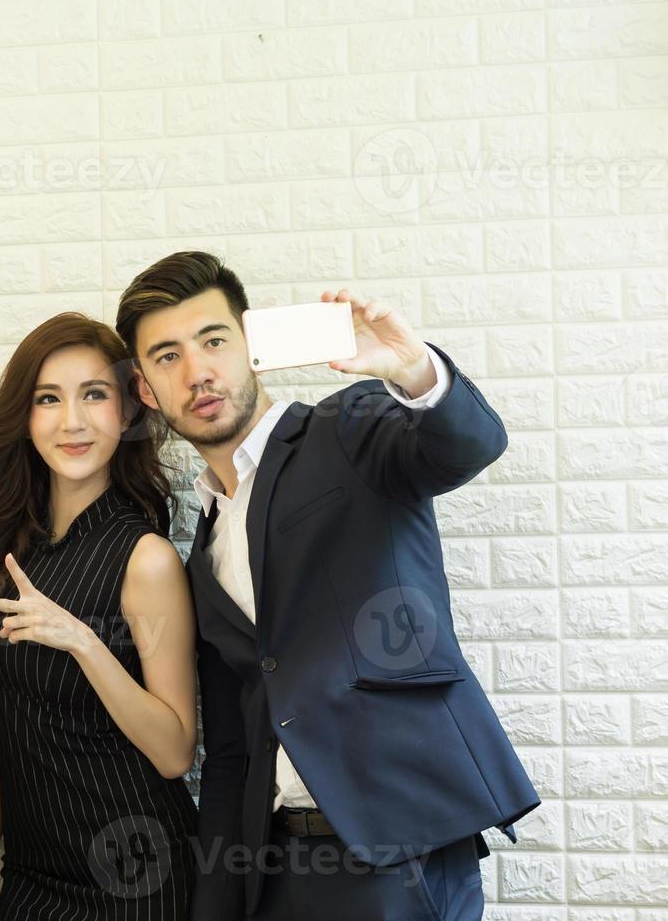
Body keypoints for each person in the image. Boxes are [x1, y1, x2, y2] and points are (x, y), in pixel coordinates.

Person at [114, 253, 540, 920]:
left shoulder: (348, 430)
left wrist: (412, 370)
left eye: (214, 341)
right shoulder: (202, 544)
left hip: (398, 849)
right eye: (167, 357)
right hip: (279, 868)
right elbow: (230, 747)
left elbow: (468, 446)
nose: (197, 372)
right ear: (145, 390)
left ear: (251, 349)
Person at [0, 313, 201, 921]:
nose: (73, 422)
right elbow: (14, 718)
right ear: (25, 416)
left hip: (138, 875)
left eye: (94, 395)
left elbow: (173, 752)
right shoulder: (10, 554)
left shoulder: (147, 559)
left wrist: (84, 643)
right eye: (48, 399)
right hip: (33, 876)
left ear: (127, 412)